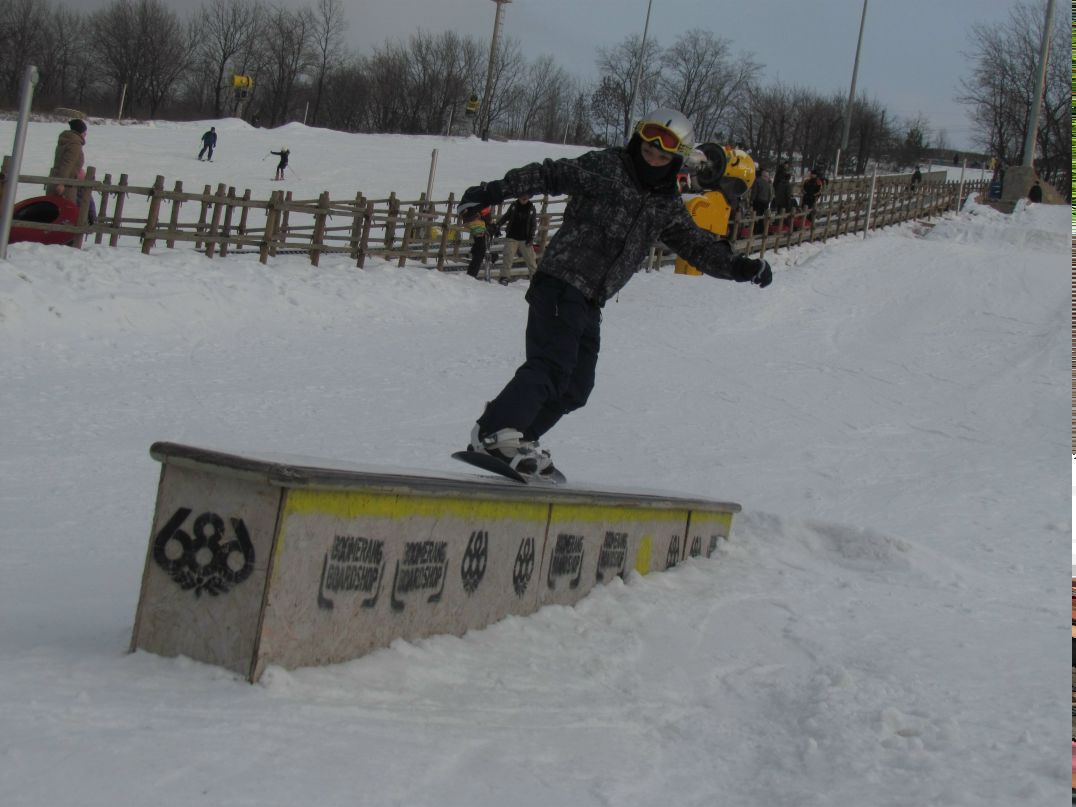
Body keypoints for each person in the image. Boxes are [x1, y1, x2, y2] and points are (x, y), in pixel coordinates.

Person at [456, 107, 772, 477]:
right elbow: (550, 173)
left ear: (677, 159)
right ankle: (495, 432)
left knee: (576, 387)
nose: (651, 158)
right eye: (646, 150)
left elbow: (696, 245)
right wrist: (492, 191)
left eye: (661, 155)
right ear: (636, 144)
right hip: (562, 280)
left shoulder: (666, 204)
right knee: (552, 365)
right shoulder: (608, 168)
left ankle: (519, 439)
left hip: (592, 298)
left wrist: (739, 267)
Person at [496, 194, 538, 284]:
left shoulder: (531, 208)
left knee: (531, 260)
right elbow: (506, 216)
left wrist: (531, 237)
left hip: (525, 239)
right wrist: (498, 224)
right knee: (508, 258)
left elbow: (533, 225)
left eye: (526, 198)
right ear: (519, 197)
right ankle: (504, 277)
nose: (524, 199)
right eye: (522, 197)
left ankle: (535, 280)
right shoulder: (514, 206)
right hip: (512, 236)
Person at [47, 119, 86, 203]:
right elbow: (68, 163)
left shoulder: (66, 140)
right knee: (65, 211)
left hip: (55, 179)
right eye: (84, 132)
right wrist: (62, 183)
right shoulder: (75, 144)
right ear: (80, 132)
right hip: (66, 185)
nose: (86, 134)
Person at [464, 206, 498, 279]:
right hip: (476, 220)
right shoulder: (479, 200)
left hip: (480, 222)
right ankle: (471, 275)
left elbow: (486, 214)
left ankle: (471, 275)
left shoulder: (485, 202)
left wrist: (490, 224)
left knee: (480, 248)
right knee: (481, 249)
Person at [749, 167, 773, 233]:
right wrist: (768, 202)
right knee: (762, 217)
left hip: (758, 201)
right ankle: (762, 230)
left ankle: (754, 230)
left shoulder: (757, 181)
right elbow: (770, 194)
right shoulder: (768, 184)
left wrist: (751, 201)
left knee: (756, 216)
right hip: (765, 202)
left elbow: (754, 192)